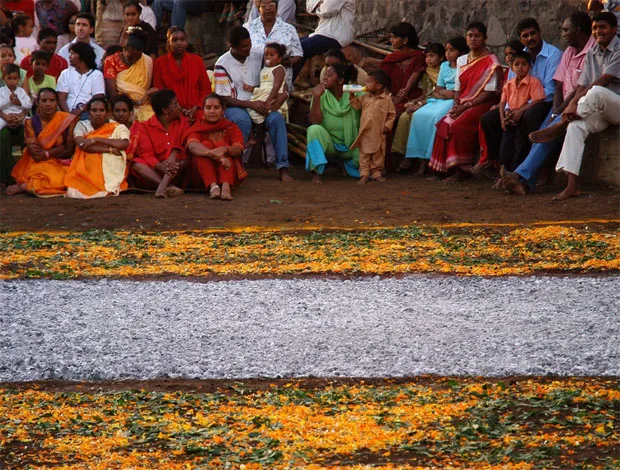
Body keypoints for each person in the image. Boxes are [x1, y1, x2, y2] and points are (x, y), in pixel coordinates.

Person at [504, 12, 620, 201]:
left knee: (597, 91)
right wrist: (571, 105)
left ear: (614, 29)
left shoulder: (618, 48)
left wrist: (567, 110)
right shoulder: (592, 52)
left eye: (603, 27)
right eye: (596, 28)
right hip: (595, 109)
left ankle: (559, 126)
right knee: (575, 127)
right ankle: (571, 186)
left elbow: (603, 80)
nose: (599, 31)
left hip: (615, 104)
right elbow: (581, 85)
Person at [477, 17, 562, 175]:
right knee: (488, 119)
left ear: (539, 32)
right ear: (521, 38)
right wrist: (509, 111)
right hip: (516, 104)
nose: (530, 38)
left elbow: (549, 90)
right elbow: (510, 86)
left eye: (533, 33)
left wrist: (520, 110)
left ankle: (522, 170)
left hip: (542, 102)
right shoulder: (519, 57)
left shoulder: (553, 55)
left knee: (527, 119)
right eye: (525, 36)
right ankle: (498, 165)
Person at [214, 26, 292, 181]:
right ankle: (238, 164)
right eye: (244, 46)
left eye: (249, 44)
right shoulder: (222, 64)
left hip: (262, 103)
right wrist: (251, 104)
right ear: (232, 46)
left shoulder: (258, 56)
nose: (248, 48)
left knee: (276, 119)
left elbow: (275, 76)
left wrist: (282, 95)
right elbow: (224, 98)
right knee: (242, 119)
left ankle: (283, 167)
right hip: (236, 106)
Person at [428, 22, 501, 180]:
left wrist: (466, 105)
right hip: (463, 102)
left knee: (459, 125)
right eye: (470, 35)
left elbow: (489, 93)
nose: (473, 39)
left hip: (482, 103)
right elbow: (458, 88)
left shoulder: (491, 61)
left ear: (485, 38)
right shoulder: (462, 60)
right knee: (444, 122)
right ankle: (441, 170)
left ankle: (461, 170)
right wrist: (456, 104)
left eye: (477, 36)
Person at [401, 36, 468, 175]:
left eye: (452, 50)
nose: (449, 53)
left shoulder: (465, 65)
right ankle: (419, 158)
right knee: (419, 115)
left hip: (455, 100)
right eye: (447, 50)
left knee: (437, 117)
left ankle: (430, 158)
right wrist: (445, 93)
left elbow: (458, 90)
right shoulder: (444, 66)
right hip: (441, 97)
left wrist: (448, 94)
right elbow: (437, 89)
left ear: (461, 52)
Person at [7, 87, 76, 196]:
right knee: (45, 179)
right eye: (44, 101)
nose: (48, 104)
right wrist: (59, 148)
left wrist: (48, 152)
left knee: (69, 179)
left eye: (52, 100)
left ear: (57, 103)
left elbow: (69, 150)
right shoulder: (30, 123)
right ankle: (27, 185)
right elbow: (37, 156)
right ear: (38, 103)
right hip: (39, 163)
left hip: (61, 162)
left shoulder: (67, 120)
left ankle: (26, 186)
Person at [65, 96, 131, 198]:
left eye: (101, 110)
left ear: (107, 113)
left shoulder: (117, 127)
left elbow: (123, 144)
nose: (98, 113)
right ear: (89, 113)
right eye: (94, 110)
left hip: (110, 164)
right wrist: (109, 149)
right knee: (89, 157)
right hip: (89, 160)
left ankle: (103, 186)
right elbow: (82, 145)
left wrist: (96, 140)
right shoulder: (82, 125)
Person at [493, 50, 545, 179]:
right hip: (510, 119)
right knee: (505, 146)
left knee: (519, 145)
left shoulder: (534, 82)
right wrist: (503, 117)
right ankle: (502, 174)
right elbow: (503, 102)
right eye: (517, 64)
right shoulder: (508, 84)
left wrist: (521, 111)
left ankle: (515, 174)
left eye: (523, 64)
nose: (520, 67)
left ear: (529, 66)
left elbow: (538, 99)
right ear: (512, 67)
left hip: (523, 119)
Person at [305, 62, 360, 183]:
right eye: (325, 75)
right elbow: (315, 121)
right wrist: (317, 98)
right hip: (331, 147)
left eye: (329, 75)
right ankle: (315, 172)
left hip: (352, 146)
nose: (324, 78)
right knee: (314, 130)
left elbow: (370, 91)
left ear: (340, 80)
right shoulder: (321, 95)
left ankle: (347, 165)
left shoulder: (354, 92)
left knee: (364, 156)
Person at [185, 94, 247, 200]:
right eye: (208, 108)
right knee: (204, 146)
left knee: (222, 146)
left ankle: (225, 186)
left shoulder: (231, 127)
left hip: (228, 171)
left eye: (216, 108)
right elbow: (192, 146)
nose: (212, 111)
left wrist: (224, 149)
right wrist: (217, 156)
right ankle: (213, 186)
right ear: (203, 110)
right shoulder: (197, 127)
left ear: (223, 110)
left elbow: (239, 149)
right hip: (202, 175)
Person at [130, 89, 189, 197]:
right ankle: (168, 186)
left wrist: (178, 164)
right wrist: (159, 166)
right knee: (136, 164)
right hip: (154, 171)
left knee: (174, 151)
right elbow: (146, 154)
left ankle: (162, 188)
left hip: (179, 168)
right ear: (165, 111)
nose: (179, 107)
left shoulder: (183, 122)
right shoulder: (145, 127)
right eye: (175, 104)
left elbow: (183, 149)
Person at [392, 42, 445, 160]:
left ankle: (418, 156)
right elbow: (424, 94)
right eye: (426, 56)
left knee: (416, 117)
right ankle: (403, 153)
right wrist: (415, 101)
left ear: (441, 57)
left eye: (432, 56)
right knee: (404, 117)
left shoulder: (445, 71)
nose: (428, 59)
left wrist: (421, 103)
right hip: (426, 101)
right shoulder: (426, 73)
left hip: (437, 103)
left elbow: (440, 94)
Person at [153, 26, 211, 122]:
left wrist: (196, 107)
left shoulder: (197, 61)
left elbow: (205, 89)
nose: (179, 43)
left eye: (182, 39)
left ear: (187, 42)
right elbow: (160, 91)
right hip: (171, 111)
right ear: (168, 43)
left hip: (196, 109)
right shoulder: (160, 63)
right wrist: (177, 108)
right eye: (174, 40)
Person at [348, 70, 395, 184]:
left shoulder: (387, 100)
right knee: (364, 154)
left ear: (378, 86)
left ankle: (376, 173)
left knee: (378, 154)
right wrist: (352, 95)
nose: (366, 85)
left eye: (369, 82)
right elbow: (357, 106)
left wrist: (387, 126)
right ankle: (364, 174)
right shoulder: (365, 97)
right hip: (365, 131)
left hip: (378, 132)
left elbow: (392, 114)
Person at [245, 0, 302, 93]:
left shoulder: (289, 29)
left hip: (279, 86)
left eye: (271, 5)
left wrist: (288, 62)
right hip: (252, 83)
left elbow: (298, 53)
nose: (268, 8)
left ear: (276, 8)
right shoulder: (248, 28)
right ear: (258, 9)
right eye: (264, 6)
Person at [293, 0, 355, 80]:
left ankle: (287, 85)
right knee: (294, 45)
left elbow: (327, 10)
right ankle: (288, 82)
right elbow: (309, 7)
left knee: (300, 48)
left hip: (336, 35)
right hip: (323, 32)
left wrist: (318, 4)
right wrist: (322, 4)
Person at [104, 29, 155, 122]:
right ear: (124, 48)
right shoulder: (111, 61)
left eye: (137, 57)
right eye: (130, 57)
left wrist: (147, 96)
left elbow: (147, 89)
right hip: (120, 106)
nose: (134, 60)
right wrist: (136, 102)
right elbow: (113, 95)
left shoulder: (147, 61)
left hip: (144, 106)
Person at [381, 22, 426, 116]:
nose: (391, 40)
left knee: (395, 112)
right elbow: (382, 80)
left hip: (410, 97)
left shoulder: (419, 56)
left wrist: (402, 95)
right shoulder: (391, 58)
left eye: (394, 37)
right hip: (390, 97)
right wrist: (390, 96)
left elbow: (414, 77)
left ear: (405, 40)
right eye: (391, 37)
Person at [57, 42, 105, 118]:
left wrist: (80, 109)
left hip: (88, 112)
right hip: (67, 112)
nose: (69, 57)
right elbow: (61, 98)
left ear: (82, 56)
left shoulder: (96, 74)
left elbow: (98, 96)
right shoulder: (65, 73)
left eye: (72, 54)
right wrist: (68, 115)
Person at [249, 42, 287, 124]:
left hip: (272, 97)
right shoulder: (263, 70)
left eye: (271, 55)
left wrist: (269, 100)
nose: (268, 57)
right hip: (263, 95)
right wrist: (252, 88)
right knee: (253, 110)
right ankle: (260, 127)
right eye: (266, 55)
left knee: (263, 110)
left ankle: (261, 127)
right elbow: (263, 84)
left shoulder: (279, 69)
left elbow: (277, 85)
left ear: (279, 58)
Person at [0, 63, 32, 131]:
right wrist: (9, 100)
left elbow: (29, 104)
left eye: (15, 78)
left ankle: (31, 140)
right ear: (3, 78)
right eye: (9, 78)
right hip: (5, 116)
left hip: (20, 115)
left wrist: (19, 103)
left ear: (19, 79)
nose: (12, 81)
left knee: (31, 122)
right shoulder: (1, 91)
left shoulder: (21, 91)